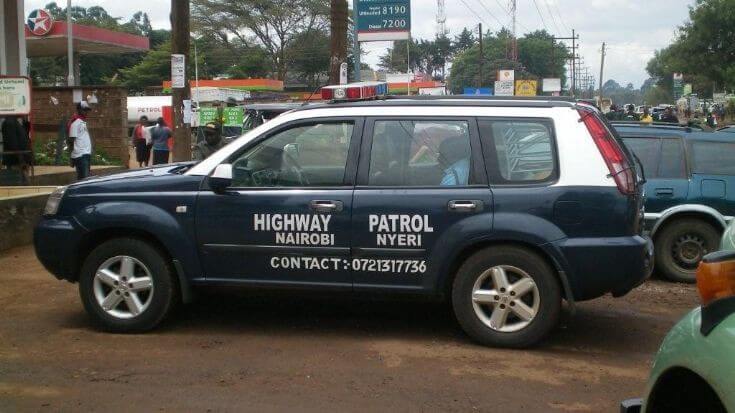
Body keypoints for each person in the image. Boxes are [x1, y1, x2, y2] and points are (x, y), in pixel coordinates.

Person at [68, 101, 93, 180]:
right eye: (84, 110)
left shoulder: (82, 121)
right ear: (79, 110)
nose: (86, 112)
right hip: (80, 155)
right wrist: (72, 157)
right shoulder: (75, 122)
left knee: (85, 179)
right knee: (84, 180)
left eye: (87, 110)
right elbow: (71, 140)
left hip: (86, 154)